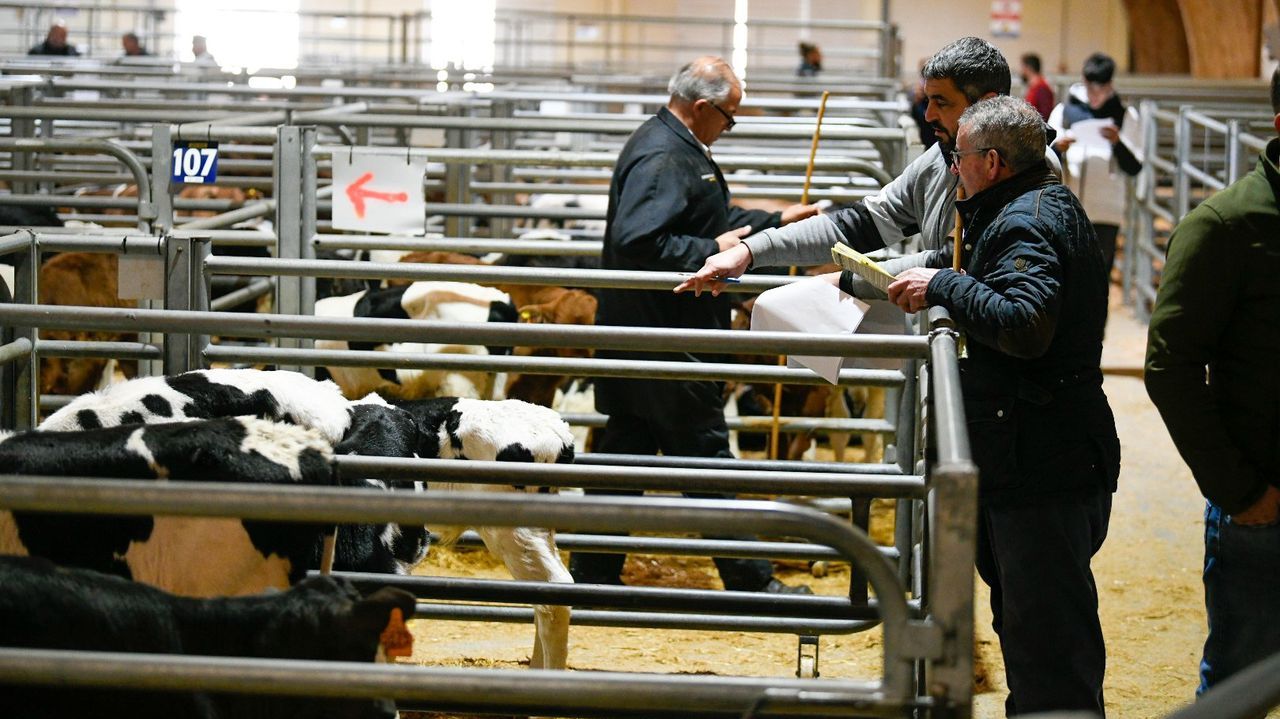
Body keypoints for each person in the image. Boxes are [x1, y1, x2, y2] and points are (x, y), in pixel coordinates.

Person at [887, 95, 1119, 716]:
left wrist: (944, 285)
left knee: (1048, 640)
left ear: (991, 162)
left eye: (959, 156)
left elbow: (1023, 322)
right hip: (1041, 448)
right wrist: (863, 278)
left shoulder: (1026, 222)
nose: (952, 166)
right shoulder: (1025, 208)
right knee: (1031, 623)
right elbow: (972, 270)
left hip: (1041, 456)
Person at [568, 56, 819, 595]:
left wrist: (772, 222)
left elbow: (703, 221)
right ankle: (752, 584)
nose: (729, 127)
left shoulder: (673, 146)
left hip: (645, 336)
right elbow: (639, 241)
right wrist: (709, 249)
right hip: (668, 341)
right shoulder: (664, 156)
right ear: (702, 107)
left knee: (624, 458)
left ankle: (591, 574)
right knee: (706, 458)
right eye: (729, 117)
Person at [677, 36, 1046, 298]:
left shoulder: (1030, 171)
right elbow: (860, 223)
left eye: (942, 103)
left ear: (986, 103)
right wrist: (751, 251)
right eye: (928, 101)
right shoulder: (937, 162)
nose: (929, 115)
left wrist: (842, 282)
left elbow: (957, 259)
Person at [1145, 67, 1280, 701]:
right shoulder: (1226, 225)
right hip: (1265, 505)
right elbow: (1170, 367)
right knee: (1240, 686)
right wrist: (1240, 491)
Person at [1048, 52, 1141, 285]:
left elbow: (1134, 167)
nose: (1096, 95)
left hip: (1107, 210)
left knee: (1098, 279)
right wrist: (1059, 148)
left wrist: (1117, 142)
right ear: (1084, 81)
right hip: (1068, 209)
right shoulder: (1064, 111)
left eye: (1102, 89)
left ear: (1110, 85)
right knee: (1066, 275)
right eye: (1091, 89)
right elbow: (1046, 158)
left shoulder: (1126, 116)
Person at [1020, 53, 1054, 121]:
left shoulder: (1042, 88)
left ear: (1028, 68)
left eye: (1022, 67)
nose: (1020, 71)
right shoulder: (1033, 87)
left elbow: (1045, 115)